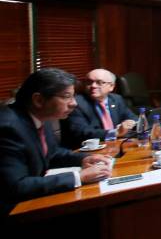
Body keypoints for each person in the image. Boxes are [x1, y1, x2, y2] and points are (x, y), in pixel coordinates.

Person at [0, 68, 113, 216]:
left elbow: (52, 153)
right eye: (67, 97)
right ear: (39, 100)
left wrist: (84, 159)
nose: (74, 104)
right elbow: (16, 186)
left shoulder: (41, 117)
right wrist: (79, 177)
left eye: (74, 97)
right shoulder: (8, 127)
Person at [60, 68, 136, 148]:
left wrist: (130, 123)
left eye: (99, 82)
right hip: (85, 151)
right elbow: (82, 132)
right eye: (89, 82)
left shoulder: (116, 99)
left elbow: (132, 117)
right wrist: (115, 132)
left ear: (111, 86)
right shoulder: (76, 103)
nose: (93, 86)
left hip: (115, 146)